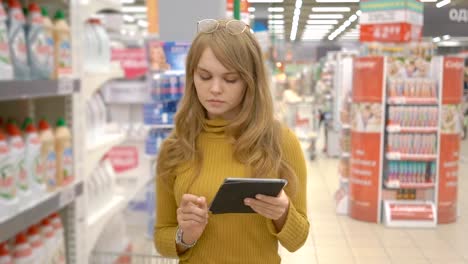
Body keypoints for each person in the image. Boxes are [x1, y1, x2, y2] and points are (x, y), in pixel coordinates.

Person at [154, 19, 309, 263]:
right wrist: (185, 236)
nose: (215, 89)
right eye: (204, 76)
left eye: (230, 79)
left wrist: (283, 212)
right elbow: (162, 237)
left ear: (250, 81)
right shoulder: (175, 147)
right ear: (191, 76)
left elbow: (297, 240)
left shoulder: (279, 141)